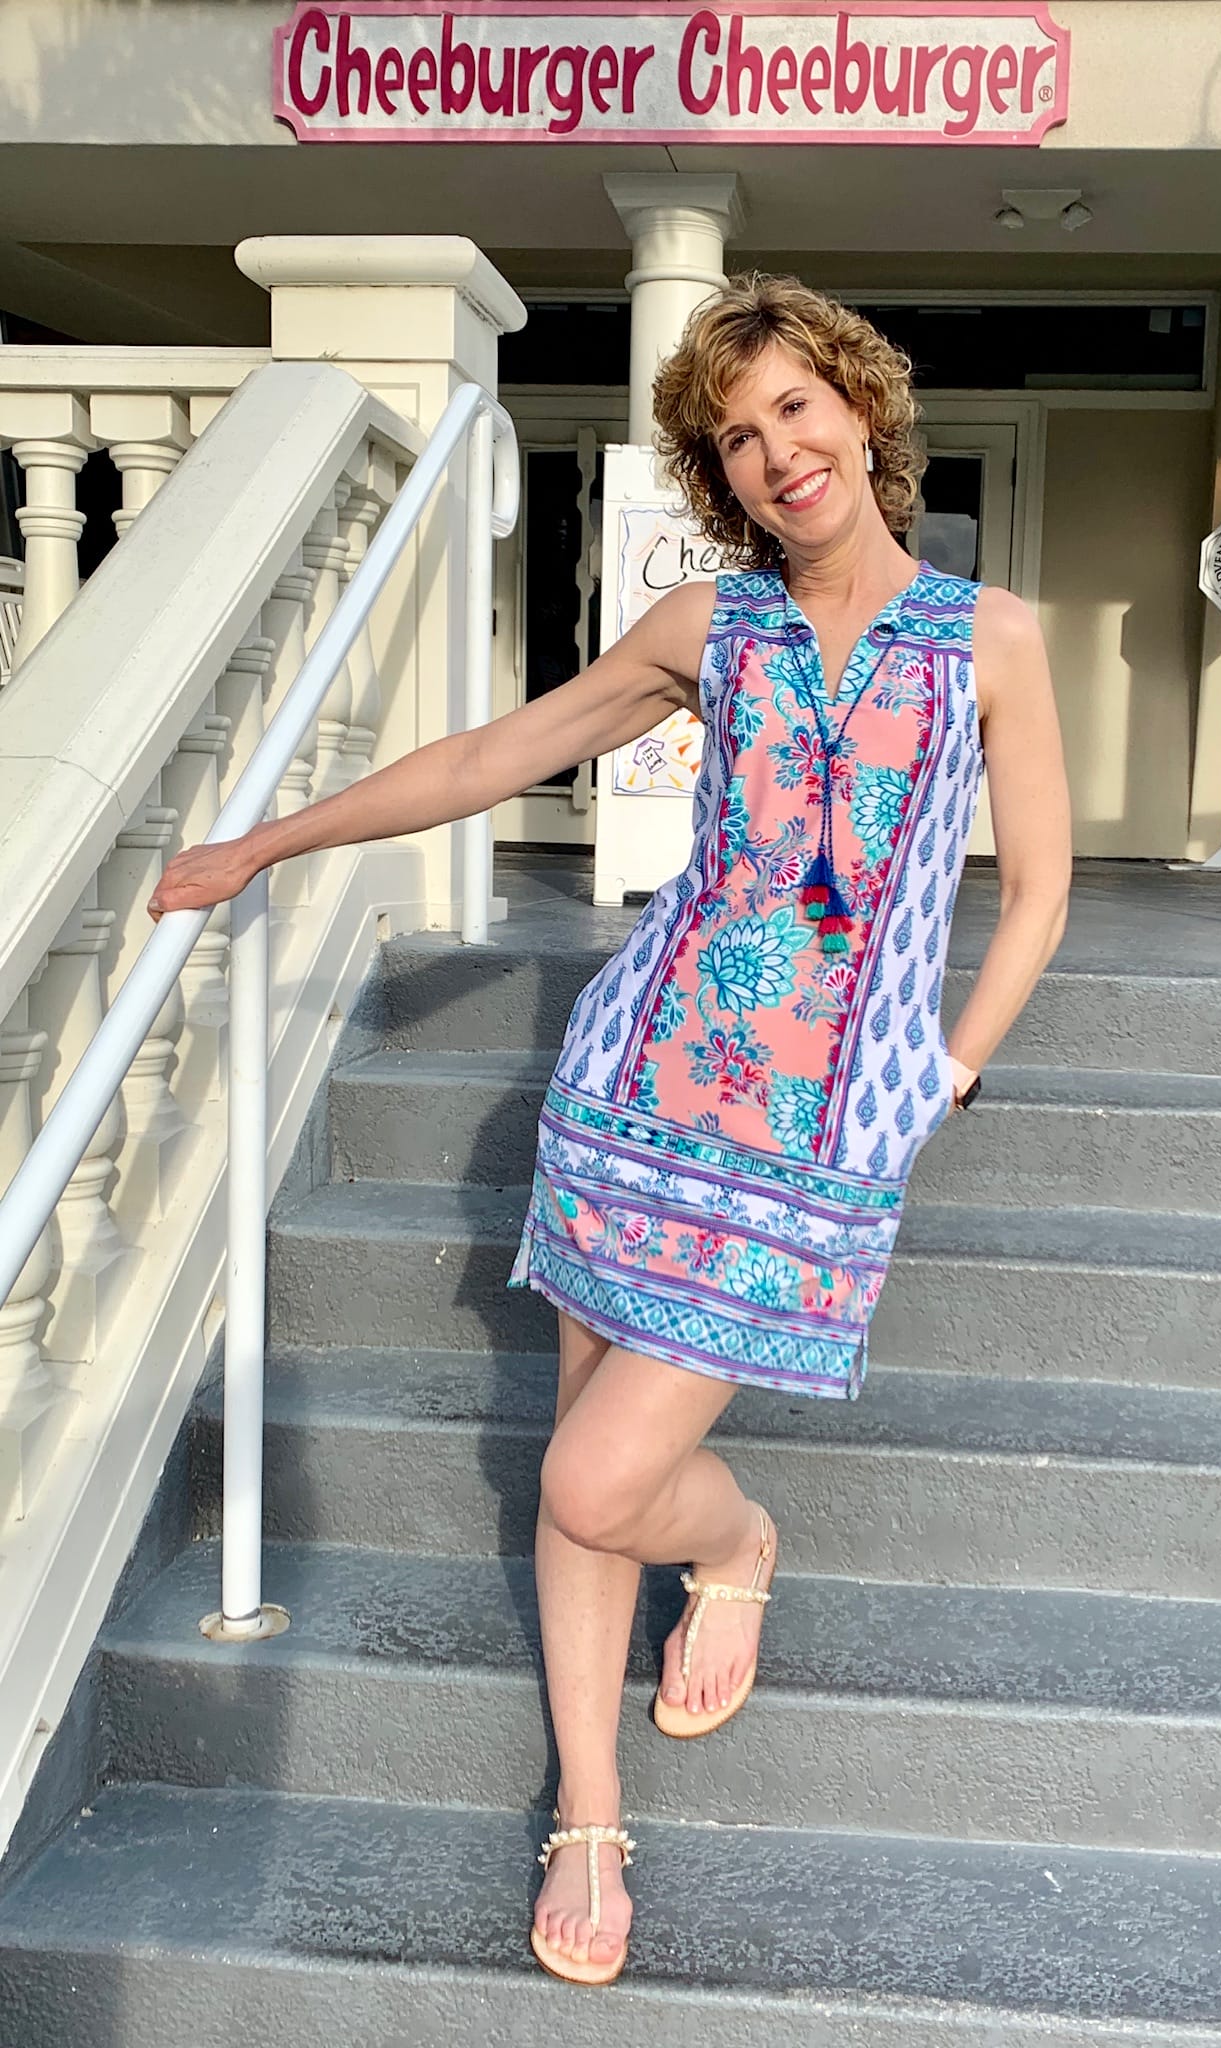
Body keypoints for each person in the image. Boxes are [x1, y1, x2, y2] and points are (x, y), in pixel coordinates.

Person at [149, 275, 1072, 1988]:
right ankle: (588, 1804)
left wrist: (945, 1071)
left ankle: (734, 1542)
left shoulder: (994, 638)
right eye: (738, 434)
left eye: (798, 408)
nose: (778, 450)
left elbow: (1039, 892)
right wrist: (268, 843)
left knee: (599, 1477)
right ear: (721, 475)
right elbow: (505, 751)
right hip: (635, 1086)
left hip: (819, 1130)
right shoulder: (708, 632)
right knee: (583, 1477)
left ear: (861, 411)